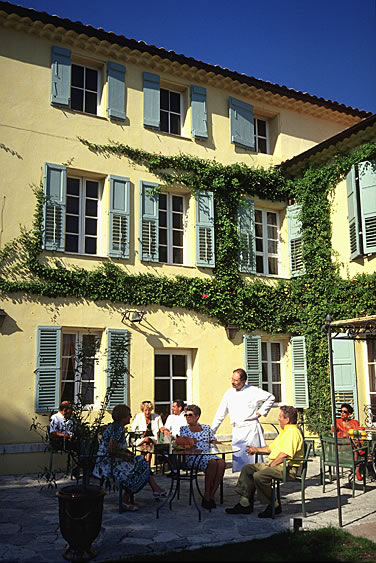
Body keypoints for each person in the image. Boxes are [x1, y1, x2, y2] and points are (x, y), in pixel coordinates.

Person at [226, 405, 303, 518]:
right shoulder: (285, 432)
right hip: (277, 465)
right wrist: (256, 450)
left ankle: (274, 505)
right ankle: (245, 503)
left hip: (287, 468)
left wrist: (271, 465)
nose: (278, 419)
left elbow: (284, 455)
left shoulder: (293, 433)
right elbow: (271, 448)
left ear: (287, 420)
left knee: (259, 475)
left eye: (280, 416)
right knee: (248, 469)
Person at [93, 404, 166, 511]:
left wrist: (128, 453)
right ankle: (126, 500)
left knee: (141, 462)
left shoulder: (118, 428)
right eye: (128, 415)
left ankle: (154, 489)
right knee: (140, 468)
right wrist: (126, 456)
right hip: (108, 463)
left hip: (113, 460)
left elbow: (118, 447)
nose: (130, 417)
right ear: (122, 417)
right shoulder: (117, 429)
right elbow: (111, 450)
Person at [211, 368, 275, 472]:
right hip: (238, 431)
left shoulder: (253, 391)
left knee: (253, 461)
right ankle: (243, 484)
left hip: (251, 430)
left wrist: (261, 412)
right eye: (232, 379)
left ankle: (255, 483)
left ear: (243, 381)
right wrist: (211, 431)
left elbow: (271, 397)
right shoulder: (229, 393)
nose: (232, 382)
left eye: (236, 380)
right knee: (239, 461)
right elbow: (220, 414)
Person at [180, 404, 226, 509]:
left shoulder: (206, 428)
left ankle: (212, 495)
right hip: (193, 456)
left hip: (209, 454)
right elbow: (185, 443)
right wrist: (192, 442)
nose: (187, 417)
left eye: (190, 415)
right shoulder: (184, 429)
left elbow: (213, 441)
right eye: (185, 415)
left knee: (222, 463)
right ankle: (206, 495)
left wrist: (223, 445)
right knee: (213, 463)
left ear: (197, 416)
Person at [332, 403, 362, 480]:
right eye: (341, 411)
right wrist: (344, 434)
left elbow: (359, 432)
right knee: (357, 447)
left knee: (356, 443)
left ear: (349, 414)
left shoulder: (354, 422)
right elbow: (333, 434)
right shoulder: (337, 422)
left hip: (352, 445)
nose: (342, 413)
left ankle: (357, 470)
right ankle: (357, 471)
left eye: (344, 412)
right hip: (342, 445)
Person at [131, 400, 163, 465]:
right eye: (145, 410)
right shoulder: (139, 417)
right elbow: (133, 428)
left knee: (148, 441)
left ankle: (142, 464)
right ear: (142, 410)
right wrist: (141, 433)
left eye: (149, 410)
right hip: (141, 438)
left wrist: (165, 431)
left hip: (153, 438)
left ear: (151, 410)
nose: (147, 412)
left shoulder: (157, 417)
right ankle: (147, 465)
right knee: (147, 443)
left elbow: (161, 427)